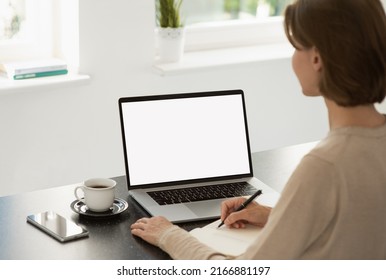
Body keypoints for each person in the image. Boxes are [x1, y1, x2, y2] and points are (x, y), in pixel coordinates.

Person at [131, 0, 386, 259]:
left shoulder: (324, 166)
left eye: (296, 46)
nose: (293, 57)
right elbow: (357, 221)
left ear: (317, 58)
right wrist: (276, 216)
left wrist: (169, 235)